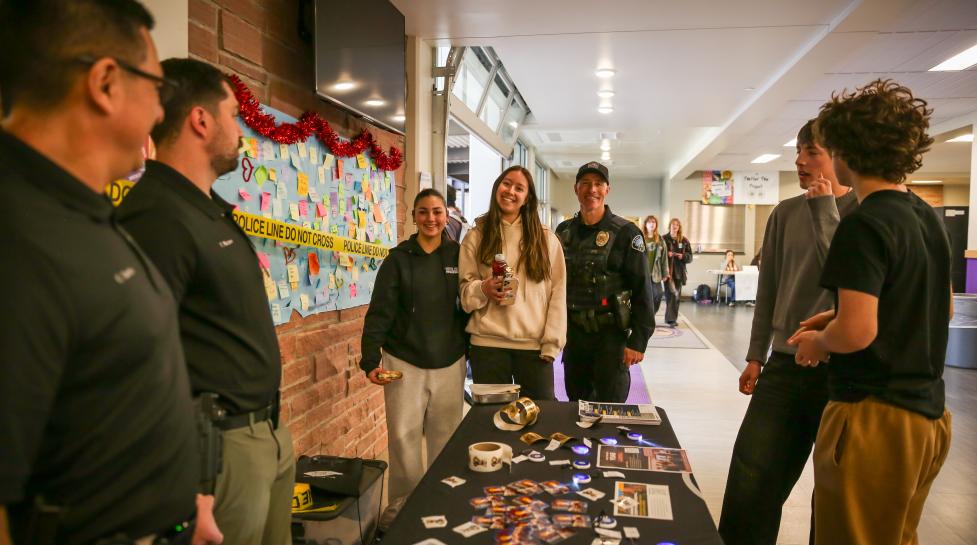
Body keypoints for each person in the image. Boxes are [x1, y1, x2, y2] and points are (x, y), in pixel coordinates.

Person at [0, 2, 220, 544]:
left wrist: (183, 504)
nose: (158, 112)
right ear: (104, 83)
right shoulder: (19, 233)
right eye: (156, 88)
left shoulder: (83, 211)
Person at [116, 59, 293, 545]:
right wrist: (189, 487)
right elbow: (140, 361)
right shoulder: (156, 214)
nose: (240, 130)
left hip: (266, 437)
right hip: (220, 455)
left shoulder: (208, 209)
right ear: (200, 120)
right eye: (233, 115)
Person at [789, 79, 951, 545]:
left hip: (874, 420)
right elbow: (933, 309)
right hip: (928, 419)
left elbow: (858, 332)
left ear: (847, 153)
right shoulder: (924, 216)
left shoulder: (863, 223)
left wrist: (822, 342)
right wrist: (833, 316)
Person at [718, 118, 858, 545]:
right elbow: (770, 289)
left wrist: (824, 211)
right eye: (798, 150)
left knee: (834, 494)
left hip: (841, 372)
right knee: (751, 477)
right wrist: (756, 355)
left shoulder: (863, 212)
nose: (799, 160)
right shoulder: (784, 213)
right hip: (783, 365)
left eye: (811, 151)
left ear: (838, 156)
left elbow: (848, 278)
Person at [360, 188, 469, 530]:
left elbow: (468, 308)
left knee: (445, 437)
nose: (431, 219)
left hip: (449, 361)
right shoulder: (398, 259)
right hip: (402, 362)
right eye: (424, 212)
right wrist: (369, 359)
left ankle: (441, 502)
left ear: (446, 216)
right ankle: (401, 513)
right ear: (414, 216)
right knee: (404, 439)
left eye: (437, 212)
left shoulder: (459, 255)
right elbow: (379, 312)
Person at [460, 166, 566, 399]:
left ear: (527, 198)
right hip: (487, 346)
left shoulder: (546, 238)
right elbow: (465, 295)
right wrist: (483, 288)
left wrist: (552, 343)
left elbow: (558, 294)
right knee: (491, 421)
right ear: (497, 187)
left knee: (539, 419)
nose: (511, 191)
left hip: (534, 348)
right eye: (506, 184)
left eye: (519, 188)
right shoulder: (477, 235)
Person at [556, 161, 654, 402]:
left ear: (607, 189)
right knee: (576, 407)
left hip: (611, 337)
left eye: (598, 184)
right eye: (586, 184)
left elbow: (643, 289)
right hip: (574, 337)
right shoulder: (563, 232)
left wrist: (638, 341)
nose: (592, 190)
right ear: (576, 189)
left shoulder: (626, 233)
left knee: (610, 410)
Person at [662, 218, 692, 327]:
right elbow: (659, 255)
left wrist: (683, 256)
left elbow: (690, 257)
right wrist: (667, 254)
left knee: (676, 296)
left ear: (679, 228)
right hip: (668, 272)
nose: (675, 226)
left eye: (677, 225)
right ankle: (670, 319)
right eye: (673, 224)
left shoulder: (684, 241)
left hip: (680, 273)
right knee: (672, 295)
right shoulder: (664, 239)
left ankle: (670, 318)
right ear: (669, 226)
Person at [642, 215, 668, 315]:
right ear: (645, 224)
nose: (651, 224)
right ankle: (645, 316)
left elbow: (664, 258)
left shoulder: (660, 240)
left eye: (653, 222)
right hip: (643, 273)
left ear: (656, 225)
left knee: (658, 295)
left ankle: (651, 314)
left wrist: (665, 273)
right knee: (643, 296)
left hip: (655, 274)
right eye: (649, 222)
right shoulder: (640, 238)